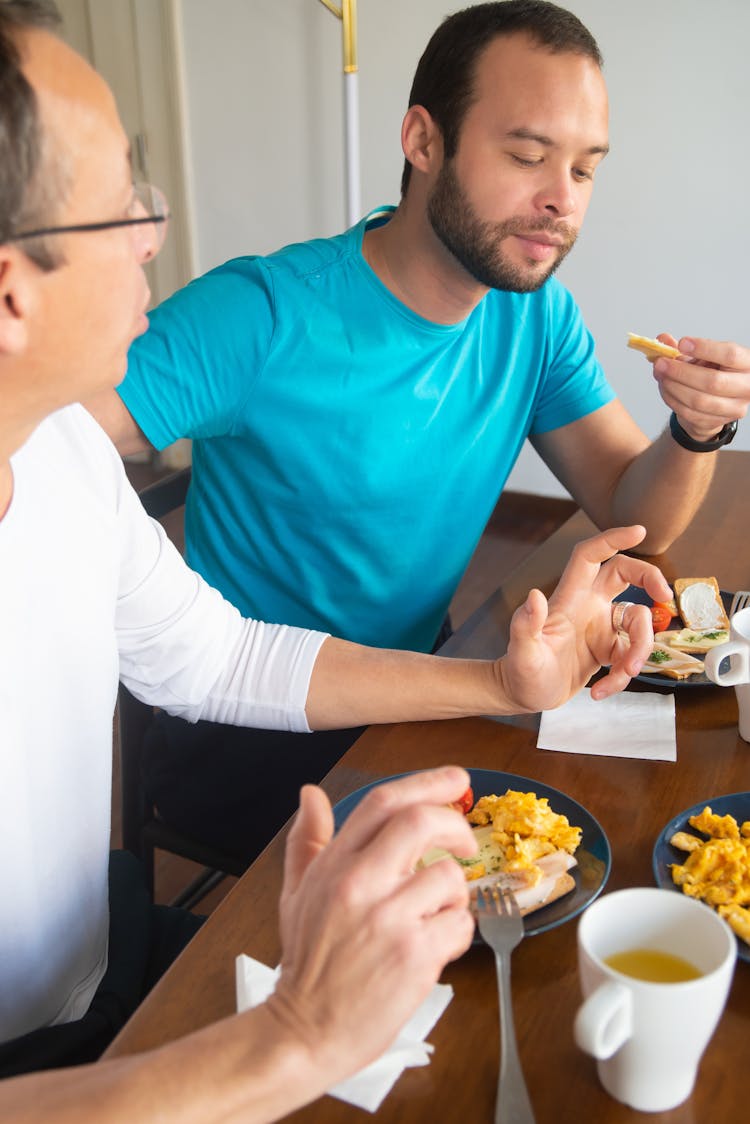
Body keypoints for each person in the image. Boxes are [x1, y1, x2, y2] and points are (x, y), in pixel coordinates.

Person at [0, 0, 672, 1110]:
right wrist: (288, 1039)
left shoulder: (61, 448)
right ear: (14, 292)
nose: (153, 237)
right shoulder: (260, 318)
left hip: (94, 976)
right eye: (120, 208)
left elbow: (212, 654)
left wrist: (498, 682)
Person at [86, 0, 750, 867]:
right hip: (249, 734)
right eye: (526, 155)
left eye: (585, 170)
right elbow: (42, 440)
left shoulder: (533, 315)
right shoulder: (262, 315)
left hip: (423, 680)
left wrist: (697, 430)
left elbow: (636, 515)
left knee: (629, 836)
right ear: (422, 140)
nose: (560, 199)